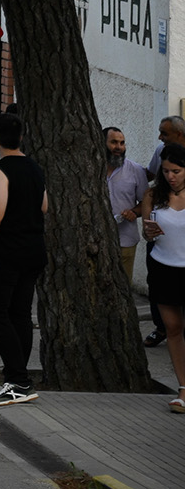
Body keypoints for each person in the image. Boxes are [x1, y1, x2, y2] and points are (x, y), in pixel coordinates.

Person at [0, 112, 46, 407]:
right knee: (20, 314)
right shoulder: (35, 167)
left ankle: (17, 379)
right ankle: (19, 380)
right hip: (33, 250)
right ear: (21, 138)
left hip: (7, 252)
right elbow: (44, 206)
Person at [141, 142, 185, 414]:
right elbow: (147, 233)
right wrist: (149, 233)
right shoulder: (152, 195)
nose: (170, 176)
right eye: (166, 171)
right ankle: (183, 389)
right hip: (163, 268)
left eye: (176, 171)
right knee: (173, 328)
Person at [106, 127, 150, 287]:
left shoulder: (135, 170)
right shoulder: (89, 170)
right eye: (114, 142)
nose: (119, 147)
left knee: (123, 288)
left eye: (122, 143)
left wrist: (133, 212)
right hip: (95, 241)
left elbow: (146, 202)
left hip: (125, 240)